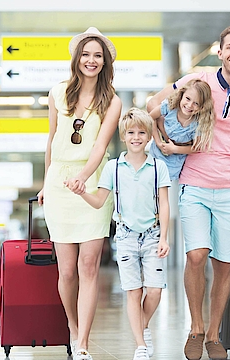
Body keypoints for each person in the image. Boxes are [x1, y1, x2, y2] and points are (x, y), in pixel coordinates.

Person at [147, 25, 230, 360]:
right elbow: (155, 103)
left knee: (224, 263)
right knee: (196, 256)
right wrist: (166, 140)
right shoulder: (200, 80)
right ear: (219, 52)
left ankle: (213, 334)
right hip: (193, 184)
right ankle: (195, 328)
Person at [37, 27, 122, 360]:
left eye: (97, 55)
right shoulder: (58, 92)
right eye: (86, 54)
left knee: (89, 268)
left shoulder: (112, 101)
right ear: (77, 59)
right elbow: (51, 140)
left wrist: (83, 178)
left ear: (105, 62)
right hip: (59, 184)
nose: (91, 60)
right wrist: (47, 181)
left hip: (92, 185)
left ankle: (83, 342)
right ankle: (73, 327)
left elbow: (100, 146)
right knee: (67, 271)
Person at [69, 108, 171, 360]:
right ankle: (141, 346)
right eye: (131, 133)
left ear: (149, 137)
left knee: (155, 291)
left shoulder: (158, 167)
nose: (136, 137)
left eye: (141, 133)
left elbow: (165, 203)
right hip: (125, 237)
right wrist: (82, 192)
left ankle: (141, 326)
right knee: (133, 292)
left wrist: (165, 237)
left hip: (153, 235)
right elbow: (99, 201)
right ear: (124, 137)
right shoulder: (113, 168)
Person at [148, 78, 215, 180]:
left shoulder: (198, 123)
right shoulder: (170, 106)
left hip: (175, 161)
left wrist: (174, 149)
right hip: (156, 153)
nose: (189, 105)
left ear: (202, 107)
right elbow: (150, 118)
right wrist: (158, 142)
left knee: (164, 185)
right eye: (188, 99)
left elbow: (196, 148)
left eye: (196, 103)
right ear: (182, 95)